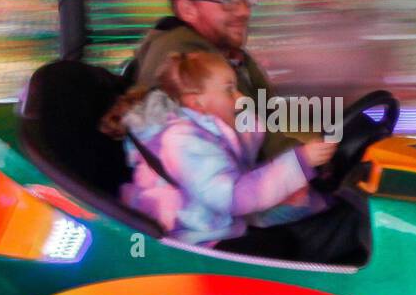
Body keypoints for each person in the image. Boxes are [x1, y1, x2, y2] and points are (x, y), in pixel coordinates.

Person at [100, 51, 363, 264]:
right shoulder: (181, 141)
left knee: (334, 212)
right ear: (197, 102)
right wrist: (300, 161)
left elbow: (242, 177)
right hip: (191, 242)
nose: (239, 97)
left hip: (217, 224)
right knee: (278, 246)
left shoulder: (208, 129)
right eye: (229, 90)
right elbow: (233, 197)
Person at [129, 0, 303, 159]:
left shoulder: (230, 54)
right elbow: (264, 147)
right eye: (228, 2)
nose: (244, 11)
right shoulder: (186, 61)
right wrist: (318, 164)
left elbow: (274, 119)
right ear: (187, 10)